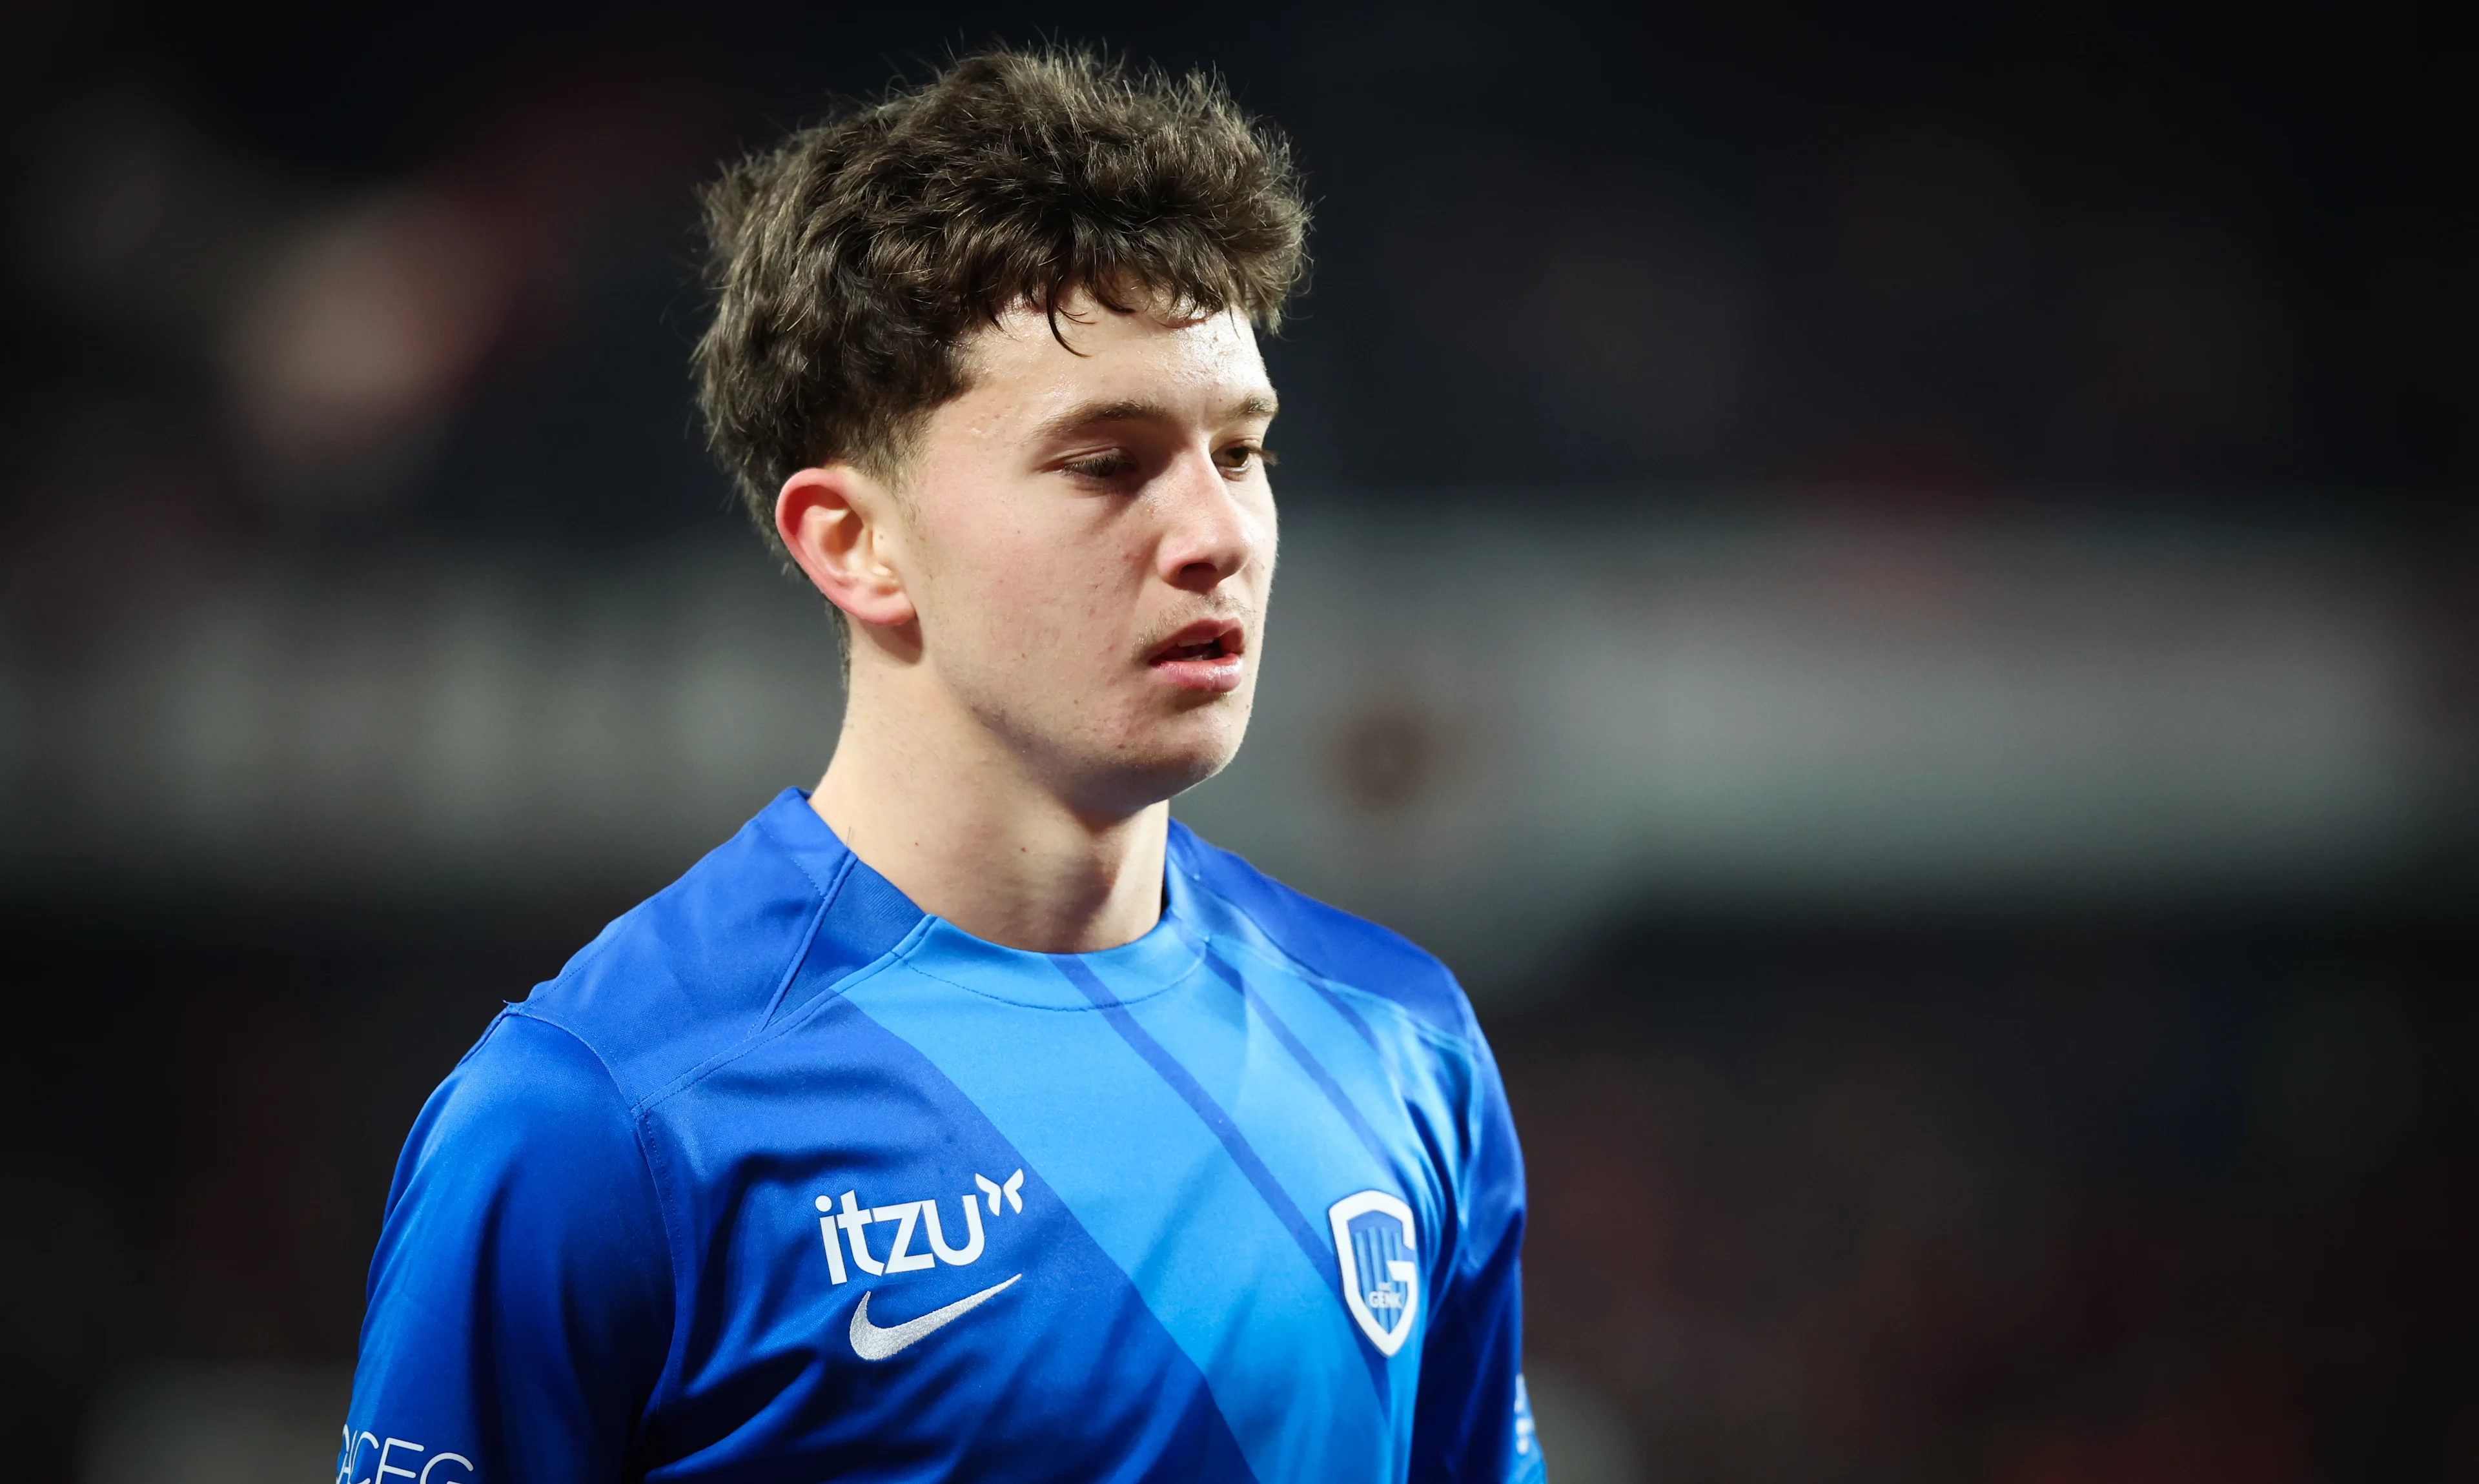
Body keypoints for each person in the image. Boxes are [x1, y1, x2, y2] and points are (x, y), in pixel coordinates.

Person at [338, 47, 1541, 1484]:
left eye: (1242, 450)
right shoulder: (600, 1120)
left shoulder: (1404, 1045)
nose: (1215, 533)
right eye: (1108, 461)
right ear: (853, 543)